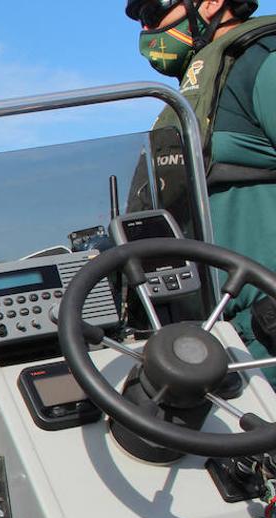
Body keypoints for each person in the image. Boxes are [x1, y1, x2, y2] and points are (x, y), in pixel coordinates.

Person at [127, 0, 276, 364]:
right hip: (212, 343)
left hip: (263, 338)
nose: (147, 33)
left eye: (153, 15)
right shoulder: (198, 89)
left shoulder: (264, 64)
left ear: (210, 3)